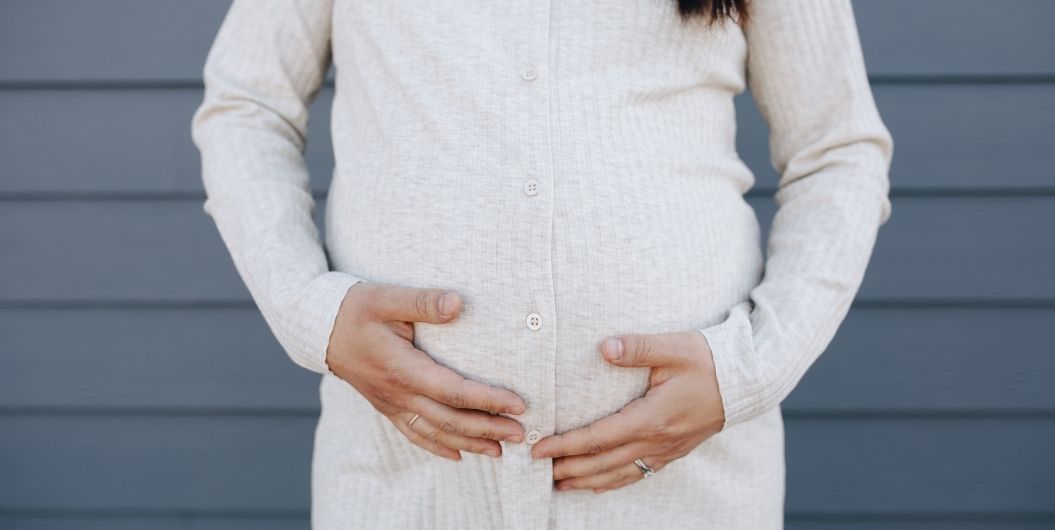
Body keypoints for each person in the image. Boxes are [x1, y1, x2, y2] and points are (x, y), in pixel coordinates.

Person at [190, 0, 892, 528]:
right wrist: (310, 313)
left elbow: (836, 150)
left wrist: (750, 369)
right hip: (407, 491)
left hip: (687, 496)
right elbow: (248, 105)